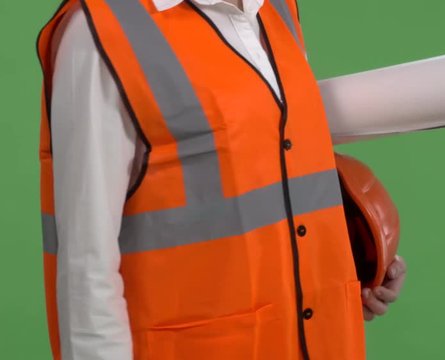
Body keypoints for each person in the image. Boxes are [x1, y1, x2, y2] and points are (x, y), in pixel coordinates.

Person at [36, 0, 407, 358]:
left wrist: (347, 263)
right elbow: (87, 271)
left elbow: (274, 161)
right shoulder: (100, 34)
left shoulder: (275, 8)